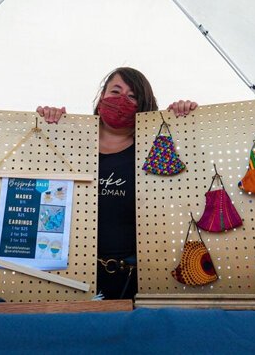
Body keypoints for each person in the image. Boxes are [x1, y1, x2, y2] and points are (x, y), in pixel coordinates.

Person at [37, 67, 197, 300]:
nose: (122, 99)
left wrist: (185, 118)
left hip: (134, 277)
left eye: (132, 96)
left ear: (144, 105)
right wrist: (50, 122)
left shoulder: (153, 150)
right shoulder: (71, 142)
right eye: (115, 91)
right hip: (67, 270)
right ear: (102, 95)